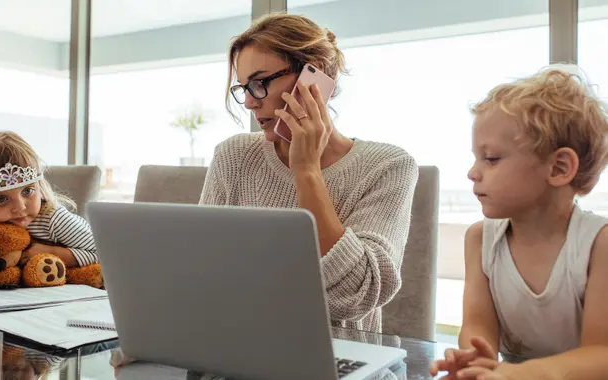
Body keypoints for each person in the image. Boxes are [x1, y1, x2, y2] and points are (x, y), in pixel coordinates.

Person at [201, 12, 419, 333]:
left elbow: (353, 296)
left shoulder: (388, 166)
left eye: (259, 83)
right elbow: (202, 272)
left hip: (335, 356)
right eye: (244, 87)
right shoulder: (234, 156)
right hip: (238, 344)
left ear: (314, 75)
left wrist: (307, 171)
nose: (249, 102)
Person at [430, 65, 608, 379]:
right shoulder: (480, 240)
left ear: (558, 168)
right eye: (476, 157)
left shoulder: (599, 245)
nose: (473, 172)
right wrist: (473, 358)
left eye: (491, 158)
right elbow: (477, 327)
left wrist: (525, 374)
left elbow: (601, 355)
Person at [0, 131, 100, 288]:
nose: (20, 207)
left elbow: (102, 254)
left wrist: (52, 252)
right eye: (0, 199)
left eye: (27, 191)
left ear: (40, 187)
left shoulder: (53, 219)